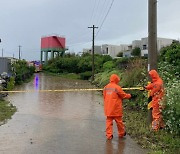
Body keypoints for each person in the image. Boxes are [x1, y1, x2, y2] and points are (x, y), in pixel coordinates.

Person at [103, 74, 131, 140]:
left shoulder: (106, 87)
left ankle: (109, 135)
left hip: (108, 108)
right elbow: (123, 95)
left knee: (109, 122)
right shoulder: (117, 87)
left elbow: (104, 96)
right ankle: (121, 133)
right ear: (116, 79)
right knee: (119, 122)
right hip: (116, 108)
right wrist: (129, 95)